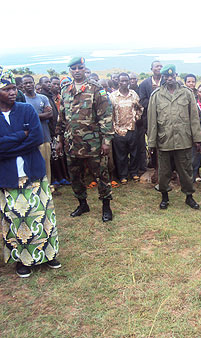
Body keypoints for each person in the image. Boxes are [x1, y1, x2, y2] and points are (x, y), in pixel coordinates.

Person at [0, 68, 61, 278]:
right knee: (16, 219)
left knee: (42, 214)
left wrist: (7, 144)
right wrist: (20, 136)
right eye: (6, 89)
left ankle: (49, 254)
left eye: (12, 88)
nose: (11, 92)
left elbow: (35, 138)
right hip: (8, 177)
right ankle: (22, 261)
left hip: (34, 172)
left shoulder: (26, 110)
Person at [56, 57, 114, 222]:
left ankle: (106, 207)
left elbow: (106, 116)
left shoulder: (96, 89)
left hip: (93, 143)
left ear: (85, 69)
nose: (76, 71)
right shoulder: (65, 90)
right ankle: (82, 203)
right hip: (71, 143)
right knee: (75, 175)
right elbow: (62, 118)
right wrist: (59, 140)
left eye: (79, 67)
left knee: (101, 175)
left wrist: (106, 141)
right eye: (73, 68)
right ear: (70, 71)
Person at [148, 64, 201, 210]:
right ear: (163, 77)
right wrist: (151, 143)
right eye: (167, 76)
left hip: (184, 139)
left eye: (172, 76)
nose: (170, 79)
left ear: (176, 75)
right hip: (163, 139)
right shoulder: (156, 95)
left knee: (185, 169)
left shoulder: (187, 93)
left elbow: (194, 118)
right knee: (164, 171)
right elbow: (152, 121)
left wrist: (197, 140)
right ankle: (164, 196)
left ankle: (189, 196)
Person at [110, 73, 143, 184]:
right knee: (121, 155)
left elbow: (139, 108)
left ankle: (134, 172)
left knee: (134, 153)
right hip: (118, 130)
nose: (124, 83)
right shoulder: (113, 96)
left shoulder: (134, 94)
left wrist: (136, 118)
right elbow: (110, 114)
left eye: (126, 81)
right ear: (118, 82)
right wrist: (114, 128)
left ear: (129, 82)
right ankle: (123, 175)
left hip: (132, 128)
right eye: (122, 81)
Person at [22, 75, 53, 186]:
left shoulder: (43, 98)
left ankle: (48, 187)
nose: (28, 85)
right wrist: (41, 115)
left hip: (44, 136)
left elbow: (50, 114)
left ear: (34, 83)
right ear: (22, 86)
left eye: (30, 82)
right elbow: (24, 118)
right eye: (26, 83)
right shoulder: (22, 101)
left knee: (46, 164)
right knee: (33, 164)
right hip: (30, 139)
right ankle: (36, 187)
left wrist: (33, 116)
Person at [139, 60, 163, 179]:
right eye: (156, 66)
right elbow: (143, 101)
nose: (159, 68)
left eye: (160, 66)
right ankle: (155, 168)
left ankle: (168, 169)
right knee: (153, 144)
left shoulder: (166, 81)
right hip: (150, 120)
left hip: (166, 121)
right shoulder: (144, 84)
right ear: (151, 69)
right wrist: (157, 101)